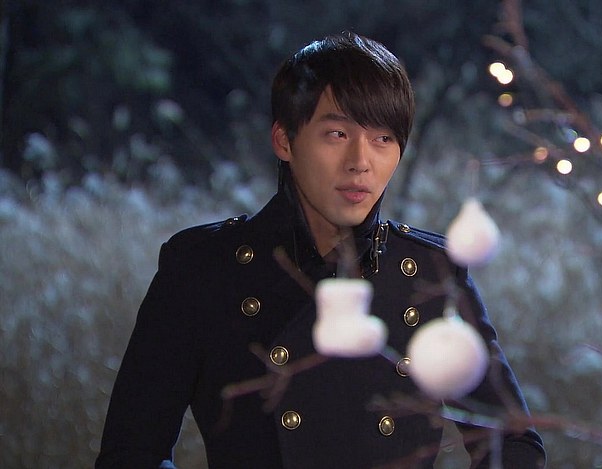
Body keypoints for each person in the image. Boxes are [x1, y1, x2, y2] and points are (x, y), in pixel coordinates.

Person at [96, 31, 546, 468]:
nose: (360, 162)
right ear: (284, 140)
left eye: (383, 139)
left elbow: (513, 442)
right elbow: (131, 453)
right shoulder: (204, 268)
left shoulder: (431, 273)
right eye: (336, 134)